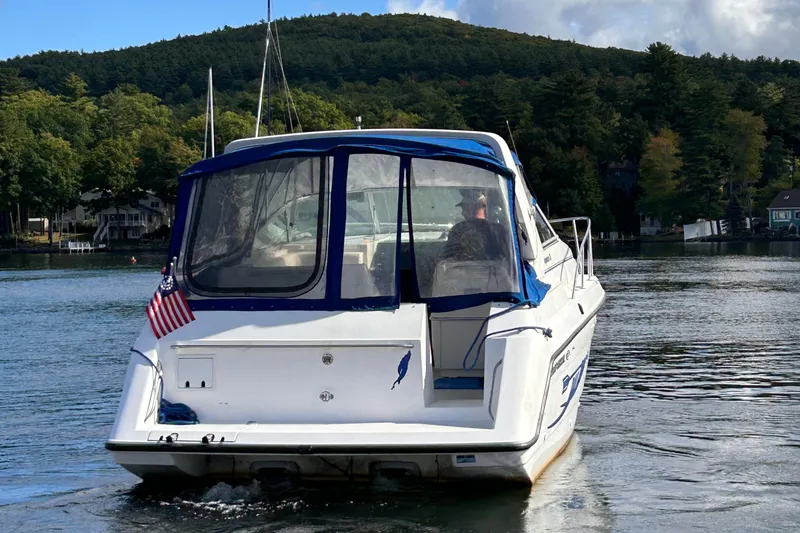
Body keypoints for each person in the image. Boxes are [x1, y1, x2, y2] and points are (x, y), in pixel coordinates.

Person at [438, 190, 510, 262]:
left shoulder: (458, 229)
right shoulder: (498, 230)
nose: (463, 213)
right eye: (464, 208)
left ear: (475, 207)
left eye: (466, 208)